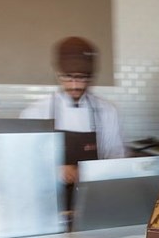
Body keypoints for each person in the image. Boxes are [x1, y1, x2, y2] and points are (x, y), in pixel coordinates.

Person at [20, 36, 125, 189]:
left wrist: (93, 171)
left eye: (81, 78)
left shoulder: (107, 112)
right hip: (50, 196)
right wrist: (56, 171)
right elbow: (24, 162)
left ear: (91, 77)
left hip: (94, 193)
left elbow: (117, 156)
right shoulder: (35, 112)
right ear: (58, 74)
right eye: (68, 77)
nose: (75, 85)